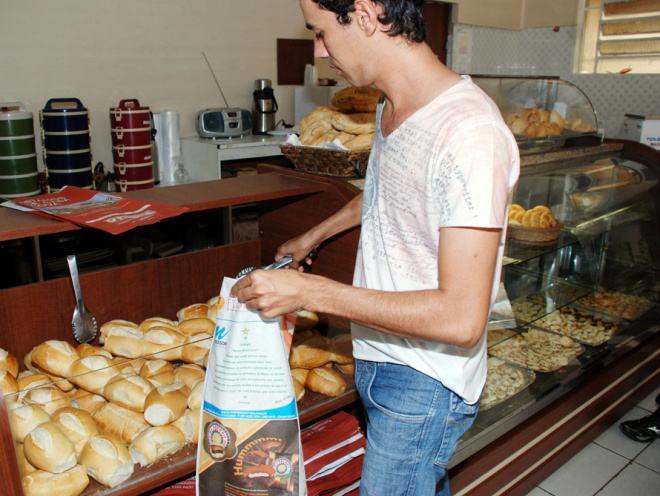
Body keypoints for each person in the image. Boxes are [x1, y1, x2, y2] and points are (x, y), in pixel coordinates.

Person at [231, 0, 520, 494]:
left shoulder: (470, 133)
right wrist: (313, 235)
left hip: (425, 380)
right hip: (381, 354)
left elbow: (461, 319)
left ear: (365, 16)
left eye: (321, 33)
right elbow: (387, 190)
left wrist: (309, 294)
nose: (320, 52)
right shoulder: (392, 105)